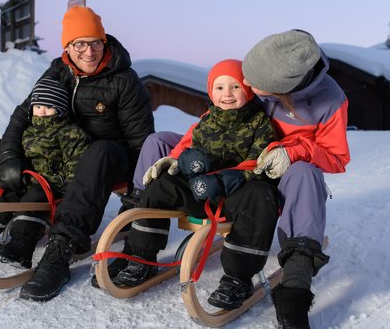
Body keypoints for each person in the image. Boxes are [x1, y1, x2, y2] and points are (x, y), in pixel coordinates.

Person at [126, 30, 350, 328]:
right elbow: (214, 122)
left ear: (283, 88)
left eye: (255, 86)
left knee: (304, 174)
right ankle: (134, 237)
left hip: (273, 174)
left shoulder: (331, 101)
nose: (247, 87)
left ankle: (295, 286)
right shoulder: (267, 63)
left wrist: (293, 152)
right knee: (160, 141)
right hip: (233, 153)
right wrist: (179, 155)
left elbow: (336, 157)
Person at [0, 6, 154, 302]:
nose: (89, 52)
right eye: (80, 44)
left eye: (96, 43)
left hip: (110, 158)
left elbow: (142, 141)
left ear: (105, 42)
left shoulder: (124, 80)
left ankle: (59, 254)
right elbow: (24, 114)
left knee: (99, 150)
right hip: (60, 150)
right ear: (67, 47)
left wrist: (138, 194)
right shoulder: (58, 70)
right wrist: (11, 156)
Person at [114, 59, 280, 311]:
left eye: (235, 87)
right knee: (162, 185)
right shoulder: (205, 122)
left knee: (261, 193)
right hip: (201, 192)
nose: (227, 94)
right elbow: (189, 150)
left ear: (247, 90)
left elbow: (258, 163)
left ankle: (238, 278)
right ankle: (142, 257)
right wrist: (182, 162)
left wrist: (225, 179)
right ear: (211, 92)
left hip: (237, 195)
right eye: (220, 88)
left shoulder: (260, 124)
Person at [0, 77, 90, 269]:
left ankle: (22, 247)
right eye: (38, 106)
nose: (42, 111)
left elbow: (76, 166)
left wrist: (66, 187)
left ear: (60, 109)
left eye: (49, 106)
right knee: (3, 188)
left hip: (53, 186)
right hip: (31, 180)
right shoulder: (28, 132)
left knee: (34, 197)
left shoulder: (70, 133)